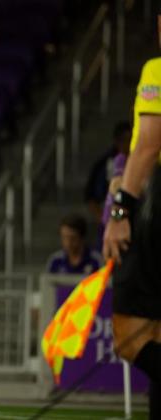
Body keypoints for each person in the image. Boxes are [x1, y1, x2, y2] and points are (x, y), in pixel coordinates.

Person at [103, 15, 161, 417]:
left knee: (129, 334)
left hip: (155, 202)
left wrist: (121, 210)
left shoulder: (157, 70)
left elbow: (148, 145)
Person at [85, 121, 132, 223]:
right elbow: (116, 195)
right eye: (127, 140)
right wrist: (109, 221)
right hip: (114, 218)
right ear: (117, 141)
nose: (130, 144)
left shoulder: (137, 162)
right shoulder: (117, 161)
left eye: (132, 140)